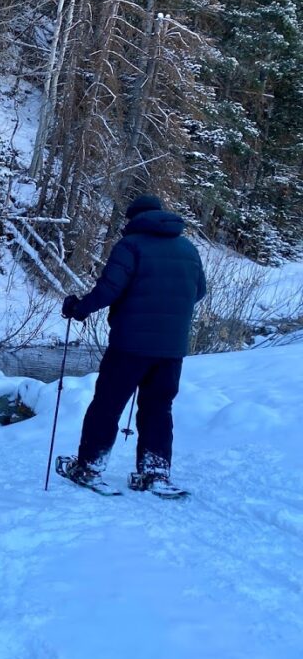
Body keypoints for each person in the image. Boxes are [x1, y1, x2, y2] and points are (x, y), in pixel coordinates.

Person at [60, 194, 206, 492]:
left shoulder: (130, 246)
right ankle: (155, 473)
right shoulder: (188, 249)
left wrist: (78, 308)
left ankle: (88, 467)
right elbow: (199, 291)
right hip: (171, 348)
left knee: (108, 405)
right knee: (158, 407)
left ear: (133, 219)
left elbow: (109, 290)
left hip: (130, 345)